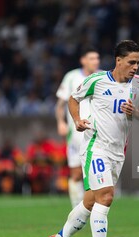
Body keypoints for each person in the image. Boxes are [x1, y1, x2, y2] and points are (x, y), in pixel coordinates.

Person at [46, 40, 139, 237]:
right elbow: (73, 99)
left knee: (90, 202)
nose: (136, 67)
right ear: (119, 60)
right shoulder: (96, 80)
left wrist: (135, 113)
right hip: (96, 147)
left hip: (118, 152)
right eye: (132, 62)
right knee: (106, 196)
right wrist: (76, 120)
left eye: (138, 62)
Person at [55, 47, 100, 208]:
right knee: (76, 173)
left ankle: (89, 208)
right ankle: (77, 208)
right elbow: (60, 104)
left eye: (97, 58)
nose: (96, 61)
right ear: (83, 60)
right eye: (92, 58)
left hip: (97, 133)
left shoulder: (102, 77)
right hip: (75, 133)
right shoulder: (72, 77)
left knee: (94, 173)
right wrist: (61, 122)